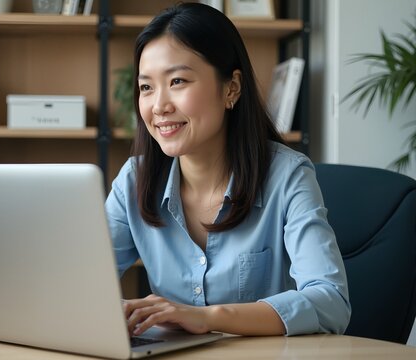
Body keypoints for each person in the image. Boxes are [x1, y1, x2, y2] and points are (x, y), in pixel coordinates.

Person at [105, 2, 351, 337]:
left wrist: (206, 317)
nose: (159, 105)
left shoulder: (288, 176)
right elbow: (79, 285)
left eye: (177, 81)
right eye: (146, 87)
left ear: (231, 88)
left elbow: (331, 302)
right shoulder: (134, 180)